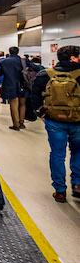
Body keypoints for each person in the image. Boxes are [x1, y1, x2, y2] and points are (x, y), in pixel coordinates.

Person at [31, 45, 80, 203]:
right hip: (78, 121)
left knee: (57, 154)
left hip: (54, 121)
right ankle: (77, 184)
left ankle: (60, 190)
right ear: (72, 58)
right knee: (78, 152)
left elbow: (35, 96)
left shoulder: (45, 74)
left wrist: (41, 113)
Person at [0, 47, 26, 130]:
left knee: (13, 104)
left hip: (11, 85)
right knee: (22, 104)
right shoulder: (24, 61)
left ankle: (16, 125)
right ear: (18, 52)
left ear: (9, 52)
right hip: (24, 85)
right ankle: (21, 123)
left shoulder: (4, 62)